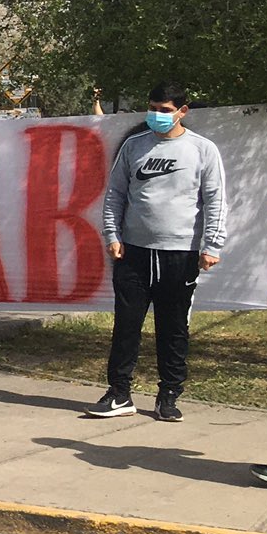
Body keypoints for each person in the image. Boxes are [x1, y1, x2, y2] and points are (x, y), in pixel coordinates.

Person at [88, 82, 227, 423]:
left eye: (165, 110)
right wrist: (112, 234)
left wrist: (212, 245)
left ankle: (168, 396)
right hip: (133, 253)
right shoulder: (135, 146)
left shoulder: (201, 149)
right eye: (152, 108)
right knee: (126, 325)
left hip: (179, 255)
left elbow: (216, 200)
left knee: (173, 327)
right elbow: (115, 194)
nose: (157, 115)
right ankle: (119, 393)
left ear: (182, 111)